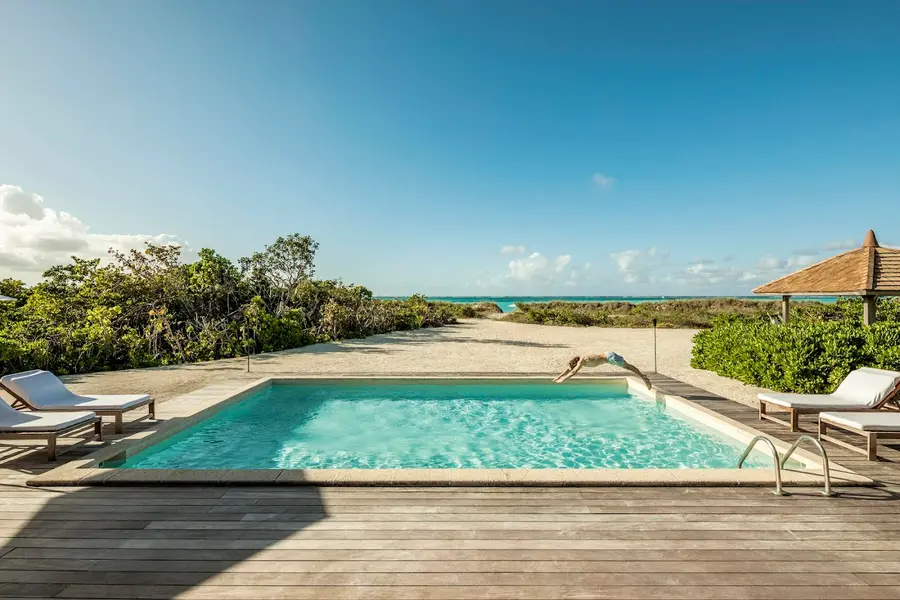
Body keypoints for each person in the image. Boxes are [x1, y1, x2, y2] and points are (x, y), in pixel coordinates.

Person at [553, 351, 652, 389]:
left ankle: (644, 379)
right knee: (630, 367)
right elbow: (569, 369)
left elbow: (573, 371)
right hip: (609, 355)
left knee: (630, 367)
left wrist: (564, 379)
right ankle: (643, 377)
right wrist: (559, 376)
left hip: (610, 358)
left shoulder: (581, 361)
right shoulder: (580, 359)